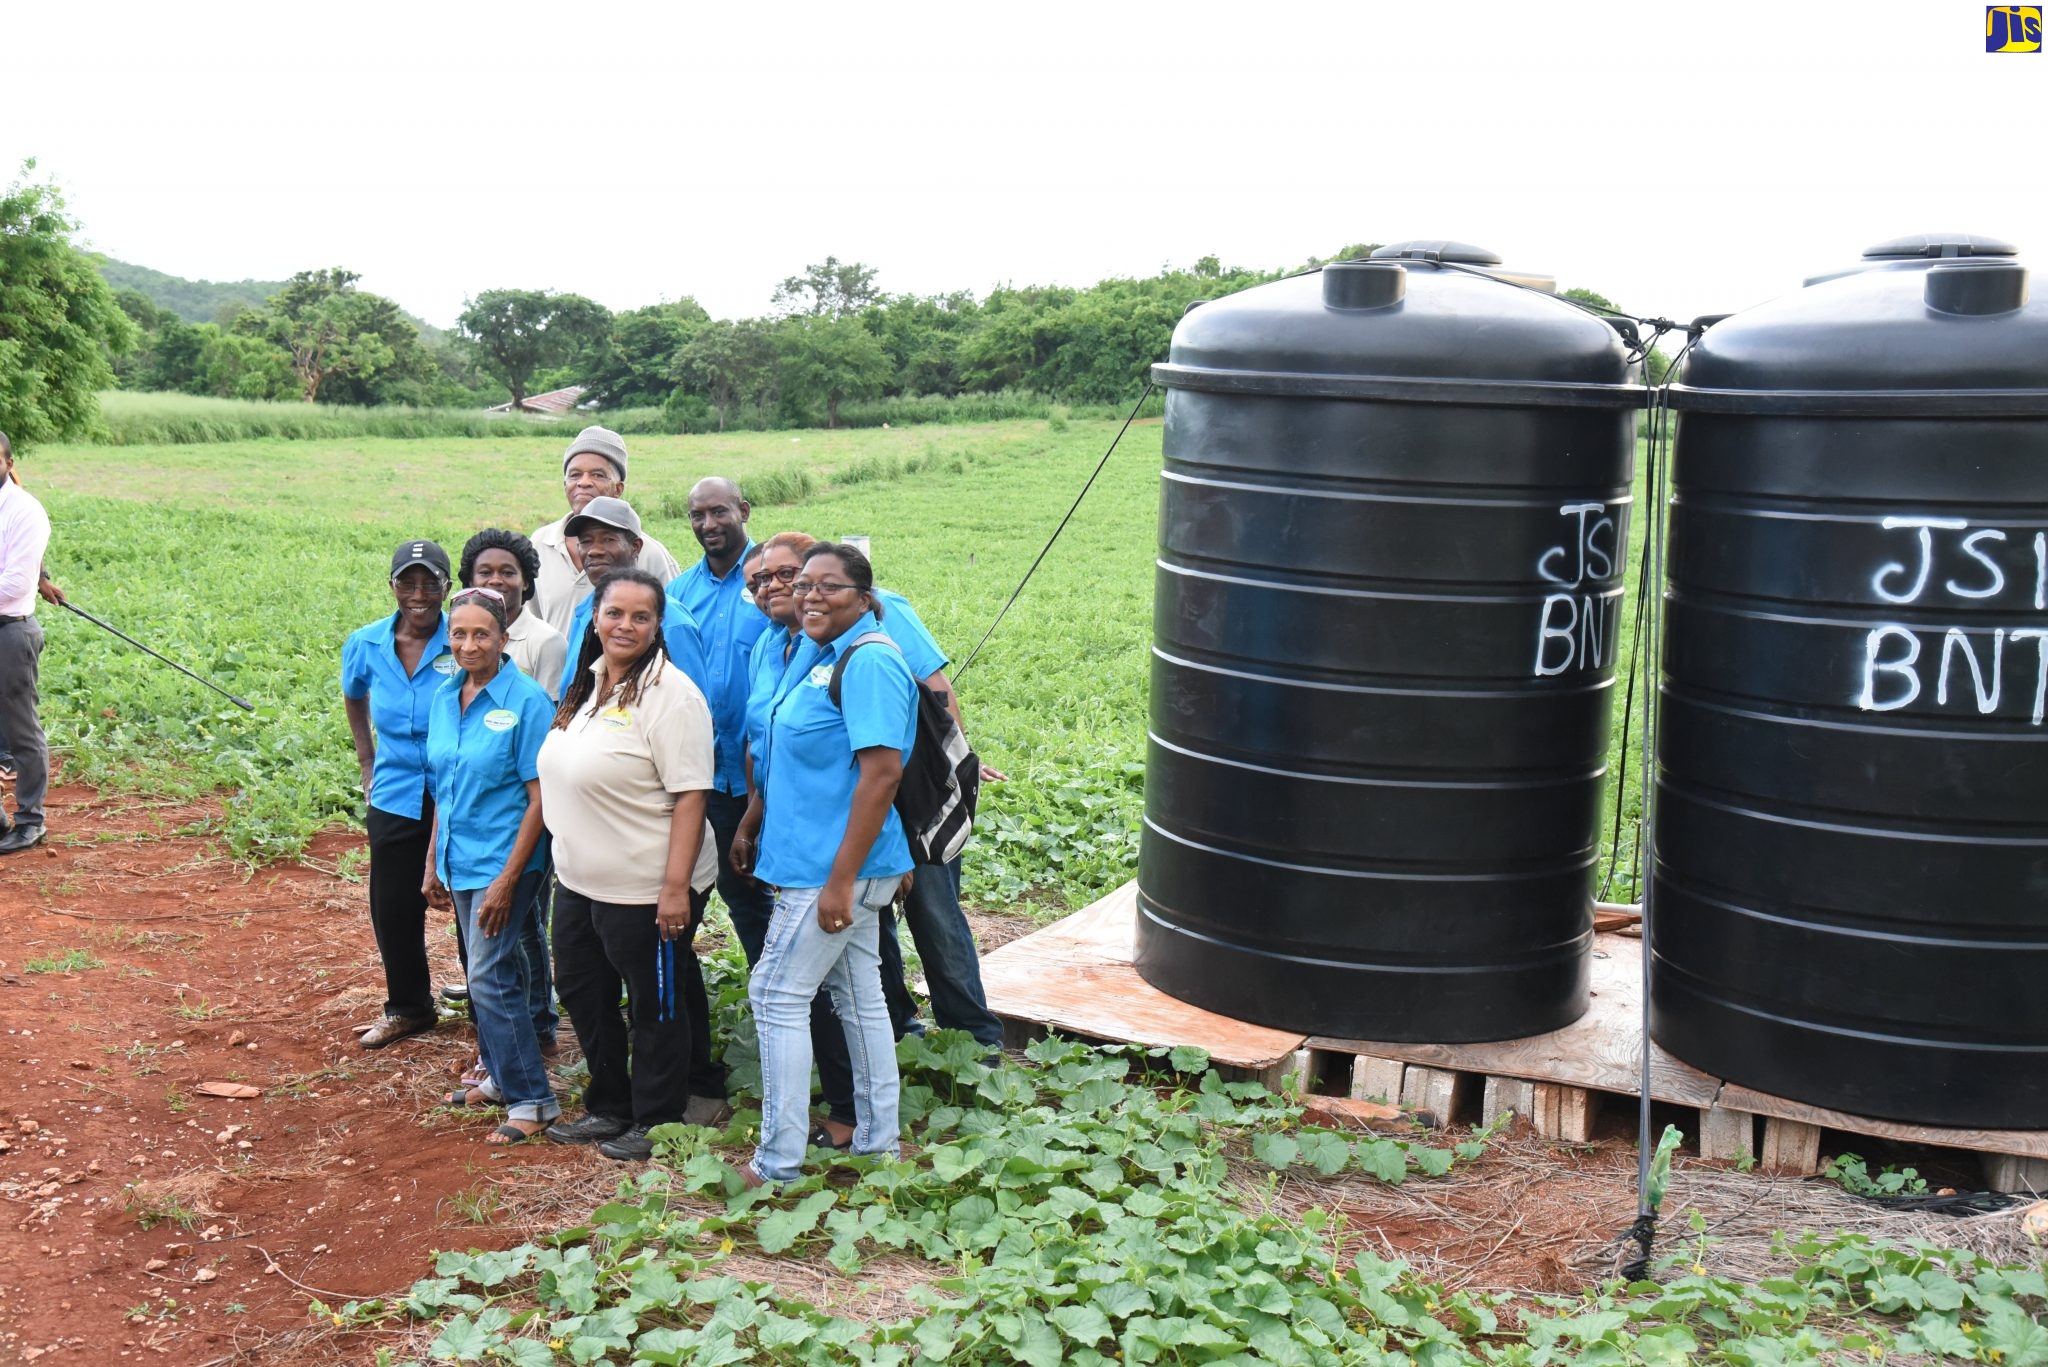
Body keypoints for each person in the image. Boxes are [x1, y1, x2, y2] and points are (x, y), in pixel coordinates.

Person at [741, 542, 917, 1187]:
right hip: (820, 861)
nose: (812, 595)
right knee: (857, 995)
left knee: (775, 994)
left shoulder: (869, 661)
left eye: (830, 586)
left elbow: (882, 774)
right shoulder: (822, 655)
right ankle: (878, 1147)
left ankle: (778, 1163)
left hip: (834, 869)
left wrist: (840, 881)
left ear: (866, 599)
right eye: (805, 584)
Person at [538, 569, 720, 1161]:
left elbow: (692, 795)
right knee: (583, 991)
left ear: (658, 625)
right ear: (595, 615)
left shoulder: (673, 696)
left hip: (647, 885)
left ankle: (658, 1116)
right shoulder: (589, 683)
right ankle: (609, 1103)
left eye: (641, 616)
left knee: (656, 1002)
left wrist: (674, 888)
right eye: (615, 612)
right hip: (580, 879)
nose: (626, 625)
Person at [422, 588, 559, 1143]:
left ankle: (532, 1097)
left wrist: (508, 879)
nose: (469, 644)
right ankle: (504, 1078)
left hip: (508, 862)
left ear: (504, 639)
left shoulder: (526, 703)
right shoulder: (444, 696)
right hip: (460, 857)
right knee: (500, 972)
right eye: (459, 634)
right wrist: (432, 860)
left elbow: (541, 797)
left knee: (488, 973)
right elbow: (444, 788)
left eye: (482, 634)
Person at [456, 528, 564, 1079]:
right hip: (468, 834)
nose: (470, 644)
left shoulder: (539, 649)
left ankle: (529, 1056)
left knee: (509, 947)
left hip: (516, 823)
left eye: (507, 572)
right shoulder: (454, 680)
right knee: (489, 958)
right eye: (484, 572)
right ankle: (501, 1057)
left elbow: (540, 752)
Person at [341, 540, 458, 1048]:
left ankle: (485, 1001)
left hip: (458, 791)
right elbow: (354, 694)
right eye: (407, 582)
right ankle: (409, 1007)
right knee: (392, 904)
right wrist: (367, 761)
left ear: (447, 588)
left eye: (430, 582)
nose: (418, 594)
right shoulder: (366, 643)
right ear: (391, 586)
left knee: (470, 898)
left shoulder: (465, 636)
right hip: (395, 790)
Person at [665, 477, 774, 1019]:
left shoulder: (773, 581)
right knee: (729, 890)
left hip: (772, 776)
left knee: (791, 894)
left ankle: (795, 1004)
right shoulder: (679, 594)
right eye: (697, 515)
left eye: (719, 512)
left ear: (743, 510)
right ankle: (762, 1001)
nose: (708, 525)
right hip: (705, 776)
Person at [530, 427, 682, 640]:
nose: (583, 482)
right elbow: (530, 622)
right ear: (565, 484)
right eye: (575, 475)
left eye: (597, 475)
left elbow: (673, 625)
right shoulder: (539, 544)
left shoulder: (649, 553)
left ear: (618, 489)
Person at [556, 497, 709, 700]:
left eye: (608, 540)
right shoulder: (586, 612)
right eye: (585, 542)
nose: (594, 551)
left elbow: (692, 707)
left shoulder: (671, 620)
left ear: (635, 547)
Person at [0, 432, 62, 855]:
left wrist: (37, 579)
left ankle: (31, 821)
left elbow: (14, 584)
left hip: (9, 632)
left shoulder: (25, 511)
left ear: (8, 462)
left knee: (21, 734)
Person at [461, 529, 565, 701]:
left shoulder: (546, 642)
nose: (495, 580)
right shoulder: (460, 635)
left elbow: (551, 710)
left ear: (525, 582)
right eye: (485, 573)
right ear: (471, 582)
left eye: (508, 573)